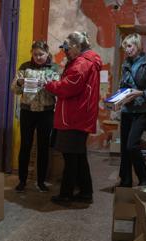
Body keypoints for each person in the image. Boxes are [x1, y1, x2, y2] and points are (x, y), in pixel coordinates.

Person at [45, 32, 102, 204]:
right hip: (79, 115)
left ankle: (66, 194)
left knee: (70, 158)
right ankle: (85, 192)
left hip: (74, 117)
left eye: (68, 48)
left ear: (77, 46)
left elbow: (68, 87)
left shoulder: (81, 64)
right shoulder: (86, 61)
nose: (66, 52)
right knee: (78, 156)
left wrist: (49, 84)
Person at [11, 41, 60, 193]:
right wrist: (19, 83)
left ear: (47, 53)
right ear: (32, 54)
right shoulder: (25, 67)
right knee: (25, 146)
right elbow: (15, 90)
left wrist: (48, 84)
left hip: (46, 113)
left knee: (43, 147)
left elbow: (58, 91)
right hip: (27, 111)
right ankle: (22, 180)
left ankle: (41, 182)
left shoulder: (53, 68)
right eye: (35, 54)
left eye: (41, 54)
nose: (38, 57)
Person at [118, 33, 146, 187]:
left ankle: (144, 177)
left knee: (132, 145)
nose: (127, 50)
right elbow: (124, 86)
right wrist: (117, 99)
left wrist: (141, 93)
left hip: (141, 111)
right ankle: (125, 180)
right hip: (126, 110)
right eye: (125, 47)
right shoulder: (126, 64)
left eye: (130, 46)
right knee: (124, 148)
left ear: (138, 45)